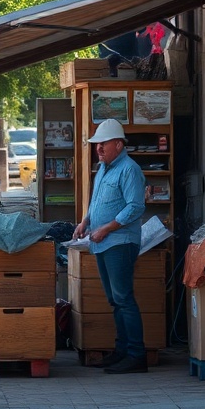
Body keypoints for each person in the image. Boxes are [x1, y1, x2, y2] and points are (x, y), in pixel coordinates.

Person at [73, 118, 148, 374]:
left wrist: (106, 228)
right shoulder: (104, 168)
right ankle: (122, 351)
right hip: (103, 243)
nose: (98, 149)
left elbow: (136, 207)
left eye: (103, 144)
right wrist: (86, 221)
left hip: (119, 242)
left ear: (118, 144)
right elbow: (97, 202)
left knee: (123, 298)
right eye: (96, 145)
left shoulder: (129, 169)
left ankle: (136, 355)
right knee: (115, 300)